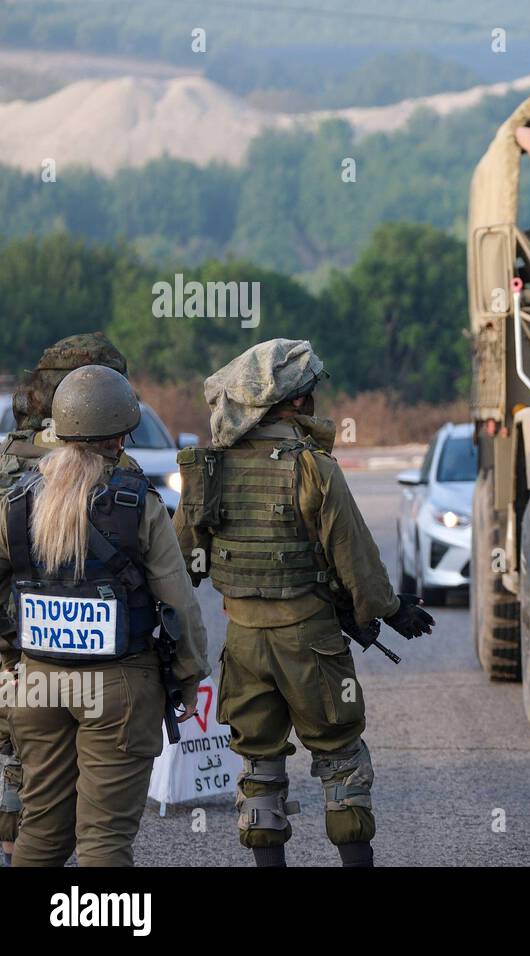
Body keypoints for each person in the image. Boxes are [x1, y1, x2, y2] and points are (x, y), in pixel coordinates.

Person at [174, 339, 433, 868]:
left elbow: (181, 561)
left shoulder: (210, 469)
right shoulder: (314, 469)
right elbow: (356, 558)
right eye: (310, 392)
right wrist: (391, 610)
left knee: (260, 769)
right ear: (292, 402)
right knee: (342, 763)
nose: (317, 401)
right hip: (311, 640)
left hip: (242, 643)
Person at [0, 365, 209, 867]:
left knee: (42, 835)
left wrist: (9, 658)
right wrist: (187, 679)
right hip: (119, 690)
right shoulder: (138, 504)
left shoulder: (17, 501)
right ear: (121, 433)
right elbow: (179, 602)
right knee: (104, 843)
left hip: (35, 687)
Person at [0, 332, 144, 866]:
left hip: (22, 652)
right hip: (97, 665)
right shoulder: (114, 472)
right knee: (102, 817)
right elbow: (159, 573)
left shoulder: (9, 459)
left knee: (29, 783)